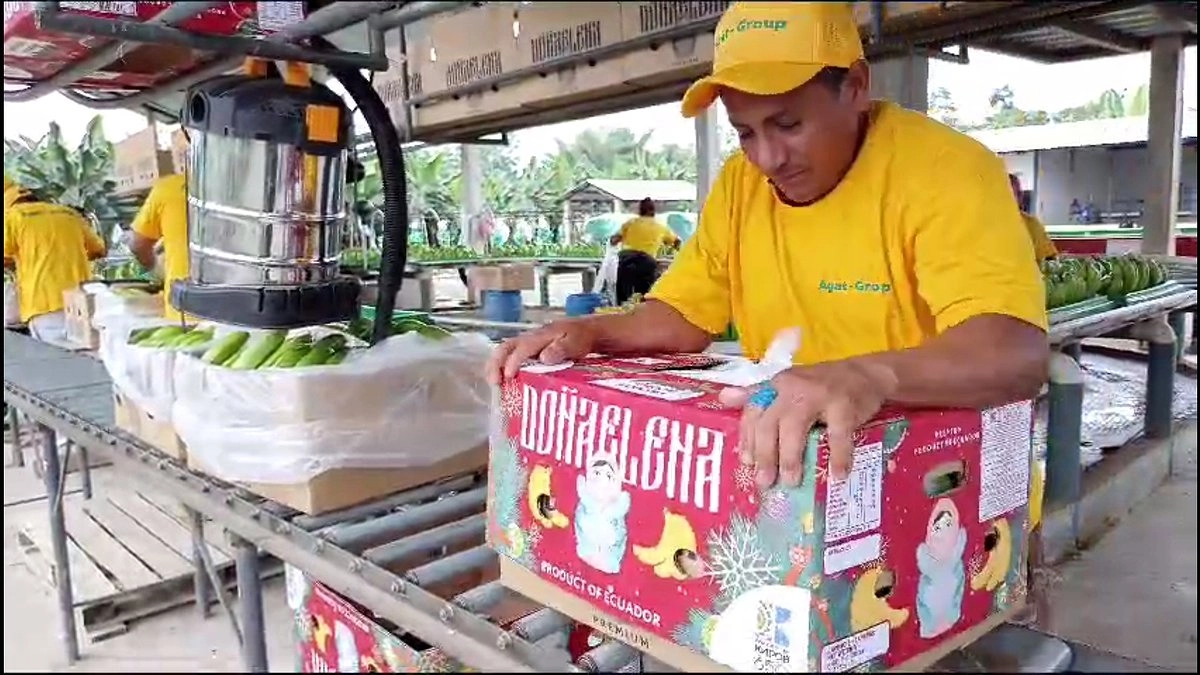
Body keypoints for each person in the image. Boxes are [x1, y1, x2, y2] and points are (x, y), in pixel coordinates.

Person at [488, 1, 1048, 489]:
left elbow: (1014, 356)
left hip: (941, 483)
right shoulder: (741, 185)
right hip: (794, 476)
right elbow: (683, 316)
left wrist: (870, 376)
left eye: (788, 124)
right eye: (746, 133)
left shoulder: (945, 173)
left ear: (855, 87)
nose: (768, 158)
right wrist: (593, 331)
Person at [4, 189, 106, 341]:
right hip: (82, 302)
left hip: (43, 305)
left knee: (54, 355)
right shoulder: (70, 214)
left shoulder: (13, 217)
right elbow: (99, 250)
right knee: (86, 351)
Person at [129, 172, 188, 321]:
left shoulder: (169, 188)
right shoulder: (241, 187)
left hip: (185, 308)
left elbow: (138, 245)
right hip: (239, 307)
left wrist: (155, 269)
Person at [608, 197, 681, 304]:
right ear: (653, 211)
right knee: (645, 297)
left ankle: (623, 310)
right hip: (646, 262)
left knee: (624, 296)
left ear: (640, 210)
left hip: (627, 259)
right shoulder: (661, 226)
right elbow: (677, 242)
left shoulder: (631, 223)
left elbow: (614, 240)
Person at [1009, 174, 1058, 261]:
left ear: (1019, 197)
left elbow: (1049, 259)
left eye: (1009, 195)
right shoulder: (984, 224)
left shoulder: (1031, 225)